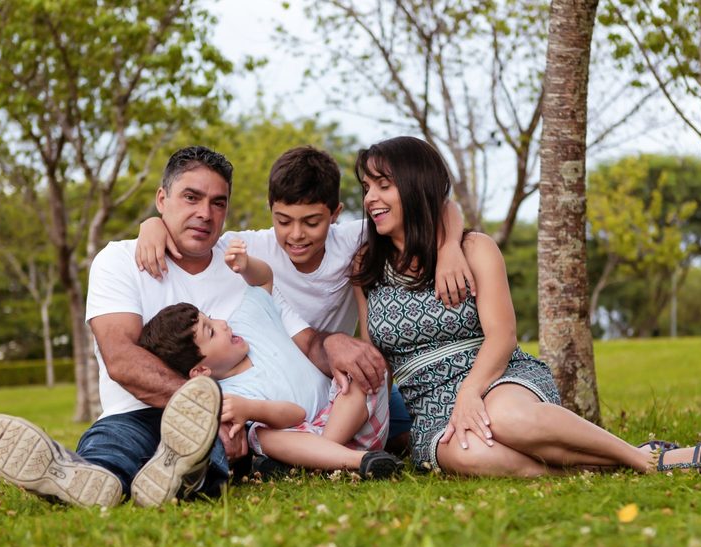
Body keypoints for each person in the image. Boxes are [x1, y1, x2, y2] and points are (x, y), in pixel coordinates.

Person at [0, 146, 380, 509]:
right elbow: (120, 358)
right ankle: (87, 476)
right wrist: (208, 408)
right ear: (161, 199)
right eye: (191, 197)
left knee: (207, 450)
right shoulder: (119, 260)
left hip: (222, 423)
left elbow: (298, 330)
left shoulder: (240, 255)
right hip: (145, 409)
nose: (205, 213)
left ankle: (169, 477)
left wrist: (339, 343)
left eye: (217, 202)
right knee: (116, 440)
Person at [350, 136, 701, 476]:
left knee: (506, 419)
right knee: (472, 455)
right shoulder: (365, 266)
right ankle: (592, 467)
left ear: (417, 188)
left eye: (384, 186)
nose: (370, 199)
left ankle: (642, 459)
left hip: (496, 378)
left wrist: (469, 392)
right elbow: (375, 360)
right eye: (367, 188)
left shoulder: (473, 248)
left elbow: (502, 336)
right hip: (429, 404)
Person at [134, 146, 474, 456]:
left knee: (401, 421)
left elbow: (444, 206)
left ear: (336, 213)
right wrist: (151, 225)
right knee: (270, 433)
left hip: (338, 385)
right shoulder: (248, 248)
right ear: (271, 210)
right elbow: (195, 231)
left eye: (312, 222)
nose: (296, 235)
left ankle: (328, 452)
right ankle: (333, 454)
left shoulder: (355, 239)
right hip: (284, 395)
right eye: (283, 221)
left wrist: (448, 248)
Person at [138, 239, 403, 478]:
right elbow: (296, 414)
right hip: (302, 442)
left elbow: (263, 280)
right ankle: (358, 462)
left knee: (359, 370)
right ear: (201, 370)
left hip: (353, 419)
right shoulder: (230, 396)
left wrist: (246, 265)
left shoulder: (248, 321)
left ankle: (323, 462)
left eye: (211, 318)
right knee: (260, 435)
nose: (222, 323)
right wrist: (249, 410)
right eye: (211, 331)